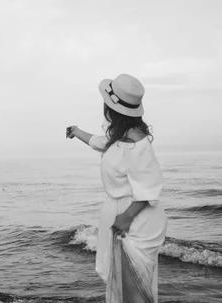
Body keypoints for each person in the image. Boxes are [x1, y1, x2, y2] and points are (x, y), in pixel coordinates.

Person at [66, 74, 167, 302]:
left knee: (134, 294)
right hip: (125, 214)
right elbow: (102, 143)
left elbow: (150, 187)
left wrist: (127, 217)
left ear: (111, 108)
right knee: (125, 289)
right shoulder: (121, 136)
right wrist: (76, 131)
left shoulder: (136, 143)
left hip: (136, 220)